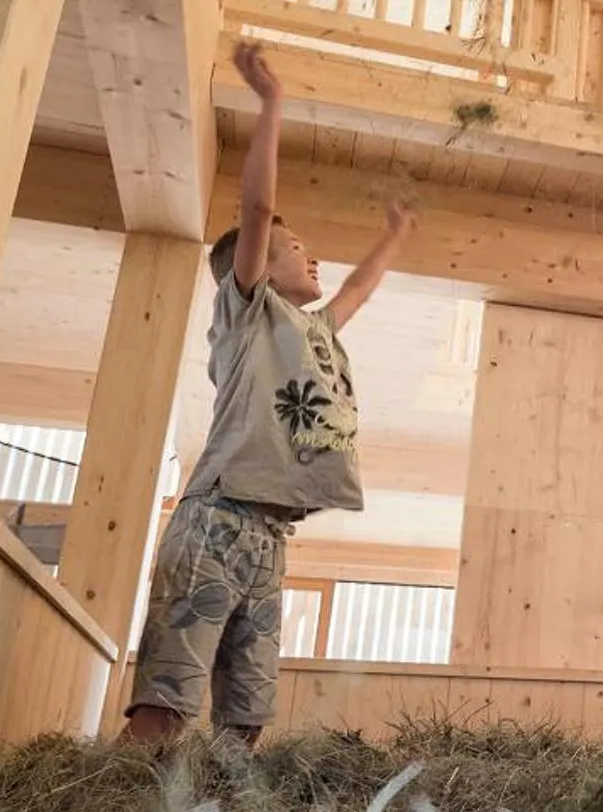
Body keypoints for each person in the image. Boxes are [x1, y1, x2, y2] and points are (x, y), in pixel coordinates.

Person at [120, 42, 417, 747]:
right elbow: (255, 210)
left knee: (246, 718)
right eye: (293, 246)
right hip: (216, 522)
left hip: (270, 537)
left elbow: (354, 290)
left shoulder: (314, 334)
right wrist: (272, 104)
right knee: (167, 706)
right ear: (256, 267)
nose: (308, 254)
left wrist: (396, 236)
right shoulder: (248, 316)